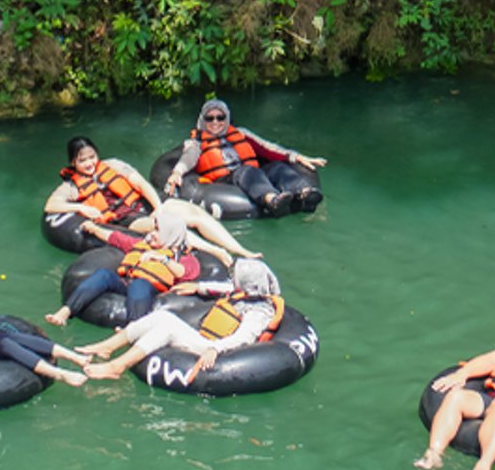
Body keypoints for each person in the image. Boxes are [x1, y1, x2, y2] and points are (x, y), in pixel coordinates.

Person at [80, 258, 285, 383]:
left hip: (215, 350)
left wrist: (215, 349)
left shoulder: (259, 311)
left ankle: (117, 367)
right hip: (207, 340)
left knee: (167, 327)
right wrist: (198, 287)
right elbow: (224, 288)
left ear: (248, 283)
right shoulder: (247, 293)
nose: (234, 281)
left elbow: (243, 338)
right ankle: (106, 347)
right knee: (162, 316)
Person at [45, 136, 257, 257]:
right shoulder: (71, 186)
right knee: (170, 225)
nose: (90, 163)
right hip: (128, 219)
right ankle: (217, 252)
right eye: (83, 160)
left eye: (92, 157)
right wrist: (80, 208)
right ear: (73, 163)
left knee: (193, 213)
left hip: (145, 205)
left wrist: (158, 207)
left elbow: (140, 183)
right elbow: (51, 205)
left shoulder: (114, 165)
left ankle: (239, 249)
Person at [45, 208, 220, 328]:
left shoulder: (186, 258)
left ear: (170, 234)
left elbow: (185, 274)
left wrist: (162, 259)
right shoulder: (142, 244)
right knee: (104, 275)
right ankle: (66, 311)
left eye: (157, 230)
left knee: (140, 284)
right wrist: (93, 228)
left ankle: (132, 328)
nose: (151, 233)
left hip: (152, 290)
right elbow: (115, 238)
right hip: (126, 283)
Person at [163, 99, 327, 217]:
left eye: (220, 117)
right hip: (226, 180)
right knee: (247, 172)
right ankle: (271, 199)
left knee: (277, 167)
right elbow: (188, 158)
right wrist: (177, 172)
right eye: (210, 118)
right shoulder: (196, 142)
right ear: (202, 120)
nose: (215, 122)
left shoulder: (240, 133)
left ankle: (304, 192)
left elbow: (267, 148)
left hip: (251, 172)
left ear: (226, 118)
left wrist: (297, 157)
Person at [415, 334, 495, 470]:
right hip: (493, 394)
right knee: (456, 397)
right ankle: (434, 454)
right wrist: (462, 373)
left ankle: (483, 467)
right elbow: (492, 359)